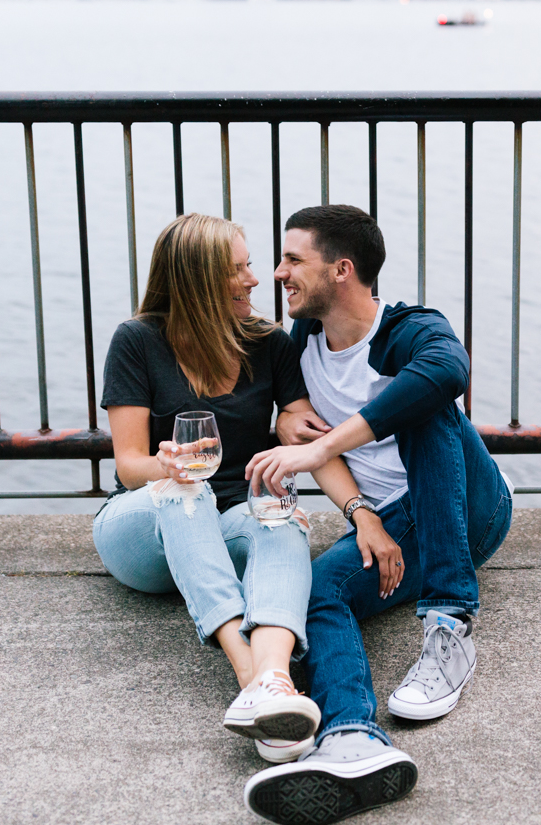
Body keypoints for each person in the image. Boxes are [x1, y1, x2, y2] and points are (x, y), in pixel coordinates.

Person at [241, 205, 513, 824]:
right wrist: (361, 513)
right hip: (392, 519)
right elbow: (300, 424)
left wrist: (320, 446)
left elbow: (448, 371)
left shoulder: (410, 328)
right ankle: (351, 738)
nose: (278, 273)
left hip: (472, 504)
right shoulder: (302, 343)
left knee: (425, 398)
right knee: (317, 590)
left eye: (292, 260)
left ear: (341, 269)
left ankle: (449, 624)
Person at [92, 213, 367, 764]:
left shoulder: (269, 343)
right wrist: (165, 464)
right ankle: (249, 673)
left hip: (227, 523)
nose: (255, 278)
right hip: (144, 528)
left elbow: (298, 421)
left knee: (281, 510)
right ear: (197, 283)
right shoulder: (138, 340)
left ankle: (273, 691)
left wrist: (296, 426)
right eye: (238, 269)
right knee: (184, 490)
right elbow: (127, 466)